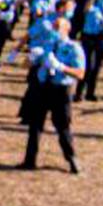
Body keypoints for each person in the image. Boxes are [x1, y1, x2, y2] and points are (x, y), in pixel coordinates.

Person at [20, 16, 85, 174]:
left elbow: (80, 73)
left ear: (66, 29)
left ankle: (72, 159)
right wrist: (30, 59)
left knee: (62, 126)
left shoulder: (73, 48)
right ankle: (29, 160)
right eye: (53, 27)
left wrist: (62, 67)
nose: (54, 30)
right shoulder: (46, 46)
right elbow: (26, 65)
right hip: (43, 88)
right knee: (35, 125)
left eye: (57, 27)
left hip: (61, 90)